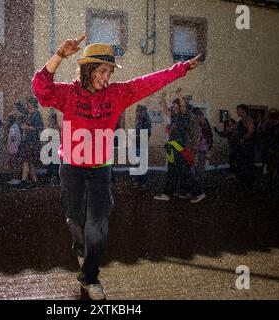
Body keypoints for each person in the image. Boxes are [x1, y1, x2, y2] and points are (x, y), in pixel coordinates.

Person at [32, 34, 202, 300]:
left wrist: (181, 69)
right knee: (75, 221)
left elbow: (149, 82)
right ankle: (81, 251)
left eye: (109, 71)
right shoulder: (67, 94)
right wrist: (59, 56)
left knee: (98, 224)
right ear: (88, 70)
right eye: (102, 71)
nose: (106, 77)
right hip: (72, 168)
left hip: (100, 169)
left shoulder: (117, 94)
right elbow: (41, 91)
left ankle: (90, 276)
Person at [20, 97, 43, 186]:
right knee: (30, 162)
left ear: (32, 104)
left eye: (28, 103)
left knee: (27, 161)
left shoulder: (37, 114)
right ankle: (34, 181)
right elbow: (19, 107)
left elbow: (40, 127)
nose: (27, 105)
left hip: (32, 141)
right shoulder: (28, 113)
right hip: (27, 141)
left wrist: (28, 127)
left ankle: (24, 181)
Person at [235, 104, 255, 191]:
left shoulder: (248, 119)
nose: (237, 112)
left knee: (247, 164)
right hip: (242, 146)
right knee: (242, 164)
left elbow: (251, 131)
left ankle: (248, 185)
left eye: (238, 110)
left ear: (243, 110)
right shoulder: (241, 120)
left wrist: (243, 138)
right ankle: (243, 183)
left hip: (247, 146)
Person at [133, 105, 152, 187]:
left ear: (141, 111)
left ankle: (144, 182)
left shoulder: (145, 119)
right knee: (138, 163)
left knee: (142, 164)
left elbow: (146, 133)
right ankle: (139, 181)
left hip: (142, 144)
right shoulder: (139, 119)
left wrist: (135, 136)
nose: (136, 113)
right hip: (138, 144)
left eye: (137, 111)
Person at [6, 115, 21, 185]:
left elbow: (12, 138)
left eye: (8, 120)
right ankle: (15, 178)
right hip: (15, 146)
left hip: (13, 146)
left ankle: (15, 179)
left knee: (13, 163)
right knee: (12, 162)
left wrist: (9, 146)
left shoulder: (13, 127)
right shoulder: (16, 126)